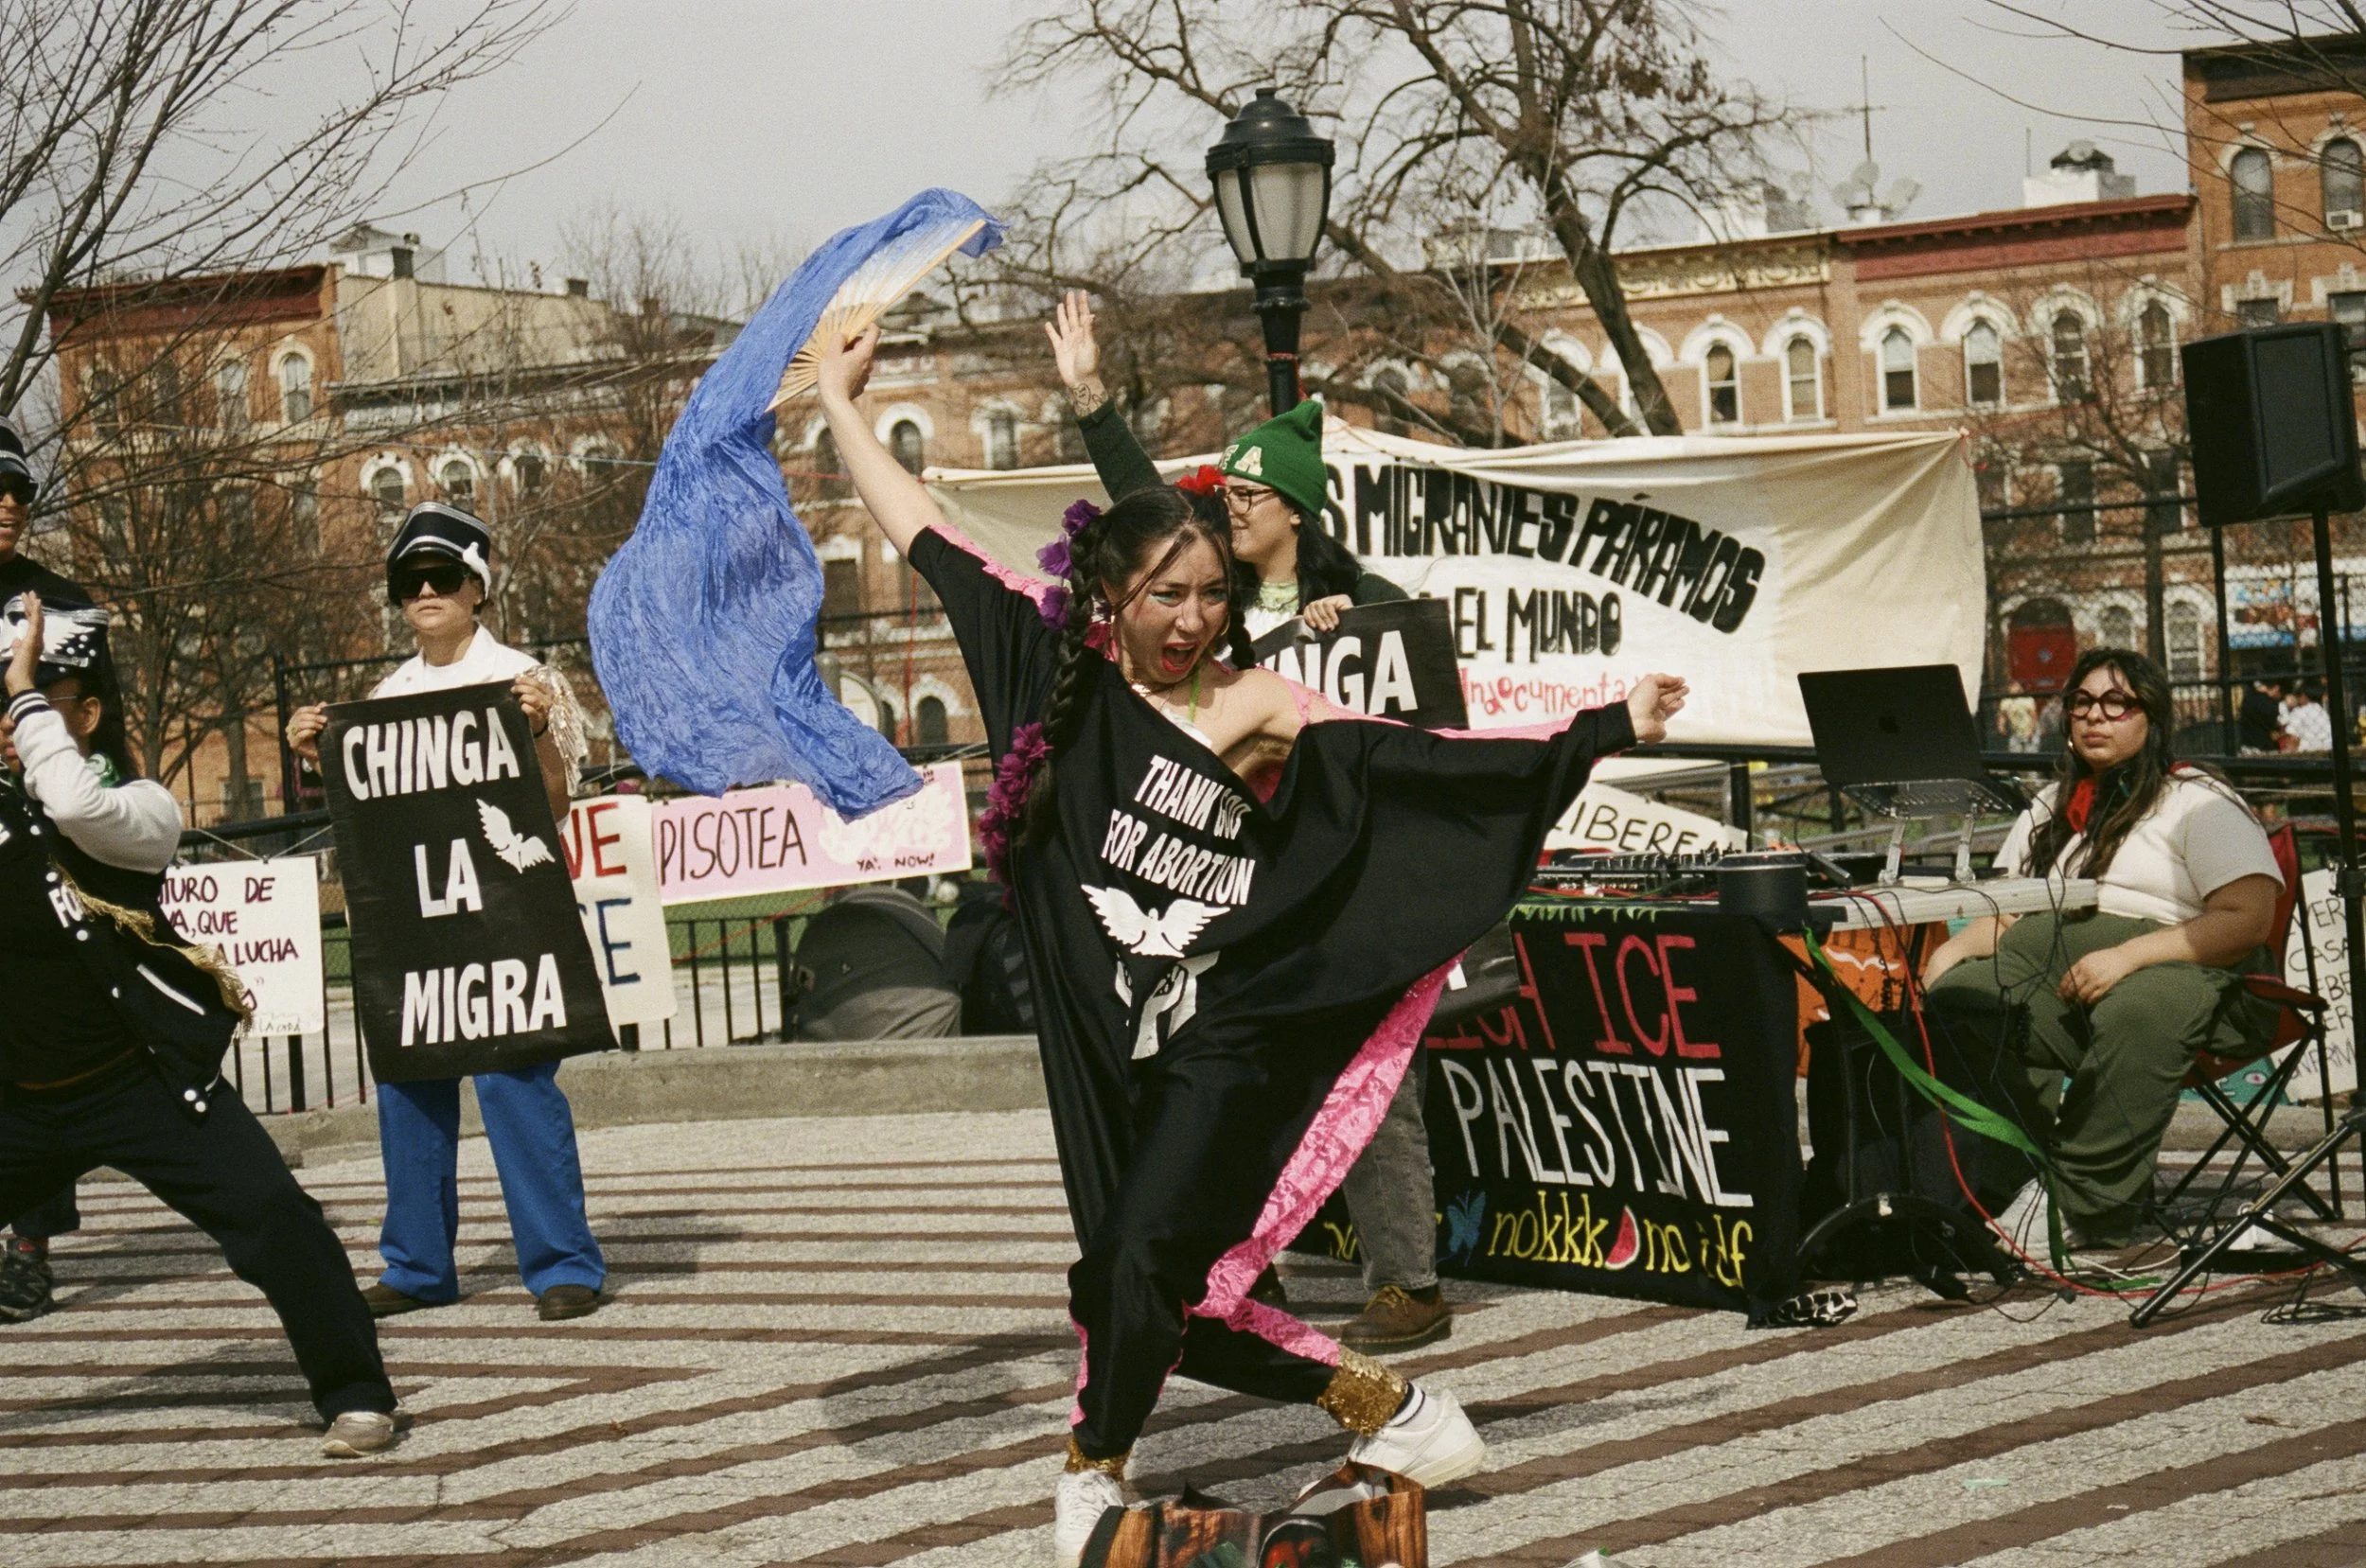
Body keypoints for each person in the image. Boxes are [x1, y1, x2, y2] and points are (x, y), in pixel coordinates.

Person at [815, 324, 1684, 1565]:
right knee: (1171, 1302)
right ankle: (1396, 1411)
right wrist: (846, 411)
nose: (1195, 618)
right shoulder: (1035, 658)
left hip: (1217, 1046)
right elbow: (923, 527)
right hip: (1094, 1052)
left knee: (1131, 1275)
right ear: (1107, 595)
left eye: (1215, 593)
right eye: (1167, 595)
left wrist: (1602, 725)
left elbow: (1415, 761)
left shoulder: (1256, 703)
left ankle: (1087, 1486)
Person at [1047, 293, 1451, 1354]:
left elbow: (1412, 722)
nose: (1223, 506)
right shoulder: (1208, 599)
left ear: (1294, 513)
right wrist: (1091, 399)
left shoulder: (1364, 601)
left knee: (1368, 1077)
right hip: (1235, 883)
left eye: (1245, 493)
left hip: (1341, 887)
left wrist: (1344, 628)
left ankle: (1405, 1276)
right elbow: (1142, 506)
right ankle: (1234, 1261)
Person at [0, 590, 399, 1453]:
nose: (12, 714)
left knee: (275, 1219)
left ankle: (357, 1390)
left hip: (140, 1081)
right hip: (20, 1103)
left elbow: (75, 806)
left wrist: (27, 697)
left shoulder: (140, 806)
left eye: (32, 695)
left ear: (90, 709)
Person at [286, 502, 608, 1323]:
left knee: (513, 1079)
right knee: (408, 1083)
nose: (426, 591)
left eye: (445, 577)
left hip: (506, 918)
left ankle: (562, 1260)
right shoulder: (384, 696)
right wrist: (312, 751)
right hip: (417, 927)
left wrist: (535, 731)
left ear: (479, 588)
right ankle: (418, 1263)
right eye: (408, 580)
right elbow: (365, 820)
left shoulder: (527, 679)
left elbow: (558, 801)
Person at [1922, 647, 2281, 1247]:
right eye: (2082, 702)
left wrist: (2127, 957)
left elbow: (2248, 919)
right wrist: (1950, 955)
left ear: (2152, 718)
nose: (2095, 716)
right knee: (1960, 998)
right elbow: (2009, 918)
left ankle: (2085, 1203)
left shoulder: (2197, 801)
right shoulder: (2048, 806)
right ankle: (2010, 1175)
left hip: (2192, 969)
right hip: (2056, 973)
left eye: (2117, 704)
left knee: (2141, 1005)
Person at [0, 430, 97, 1322]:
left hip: (35, 842)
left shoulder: (59, 602)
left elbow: (100, 725)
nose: (3, 503)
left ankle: (28, 1245)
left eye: (15, 490)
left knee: (32, 1037)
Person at [2237, 676, 2287, 754]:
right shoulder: (2271, 704)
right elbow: (2276, 726)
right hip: (2266, 747)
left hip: (2248, 746)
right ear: (2276, 688)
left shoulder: (2248, 698)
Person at [2283, 678, 2333, 753]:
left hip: (2307, 752)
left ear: (2303, 696)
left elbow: (2293, 738)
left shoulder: (2298, 712)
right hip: (2328, 750)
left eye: (2297, 696)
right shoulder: (2322, 710)